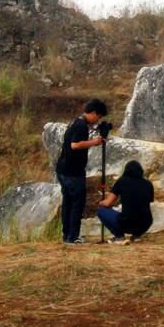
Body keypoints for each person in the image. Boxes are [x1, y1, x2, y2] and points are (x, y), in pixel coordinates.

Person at [56, 98, 109, 245]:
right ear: (93, 113)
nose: (97, 120)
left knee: (68, 202)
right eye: (98, 117)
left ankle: (67, 235)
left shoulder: (76, 121)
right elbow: (75, 145)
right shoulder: (81, 126)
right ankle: (73, 237)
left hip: (63, 169)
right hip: (73, 172)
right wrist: (95, 142)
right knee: (77, 204)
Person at [97, 160, 154, 245]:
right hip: (145, 223)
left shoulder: (122, 181)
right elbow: (147, 201)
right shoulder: (148, 184)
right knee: (139, 213)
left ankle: (119, 237)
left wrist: (100, 203)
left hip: (127, 222)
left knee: (102, 210)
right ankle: (136, 236)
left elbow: (108, 203)